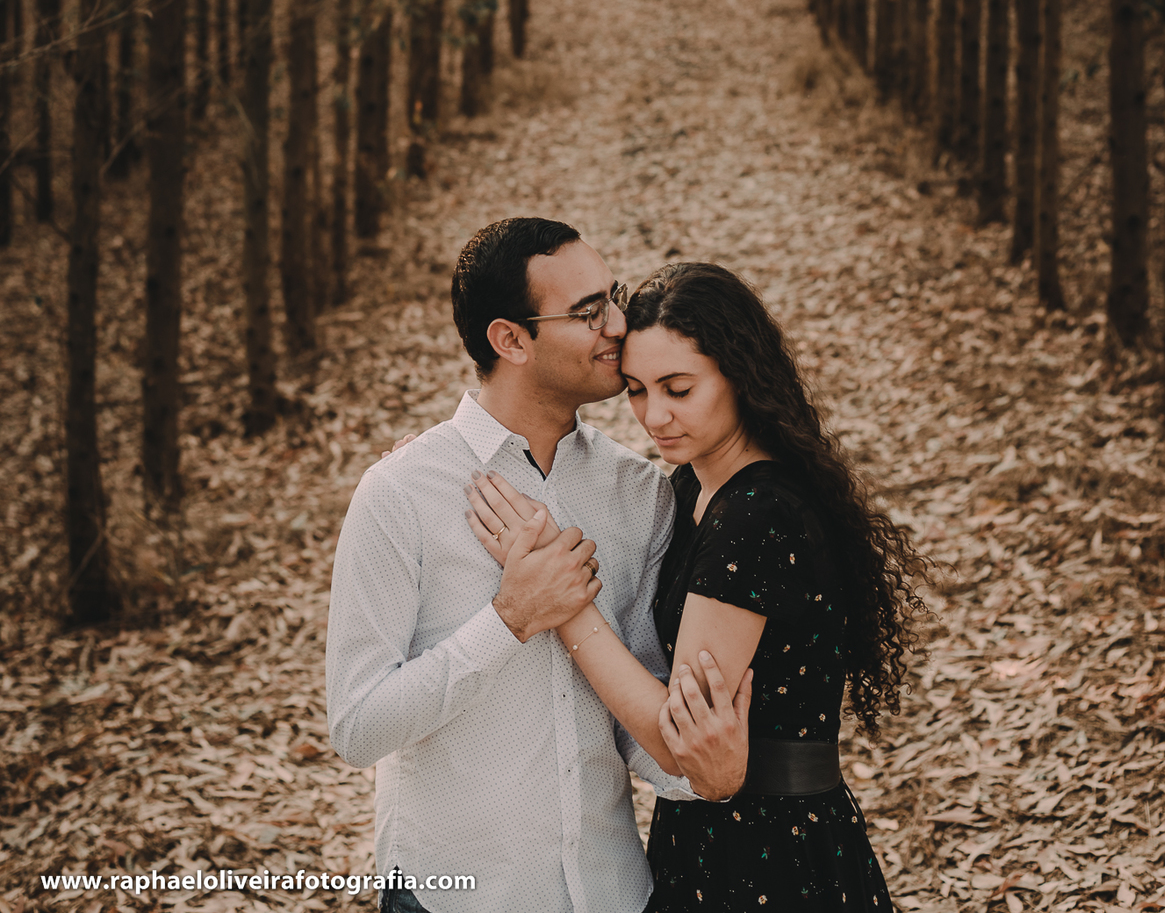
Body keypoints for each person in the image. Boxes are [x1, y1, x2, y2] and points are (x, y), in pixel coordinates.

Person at [467, 260, 925, 913]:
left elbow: (673, 738)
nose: (654, 416)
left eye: (678, 389)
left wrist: (565, 607)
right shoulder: (691, 486)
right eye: (635, 390)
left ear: (741, 375)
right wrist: (443, 463)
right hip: (714, 833)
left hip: (770, 851)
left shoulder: (756, 515)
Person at [325, 219, 751, 913]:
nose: (619, 324)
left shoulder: (639, 493)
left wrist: (699, 770)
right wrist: (510, 619)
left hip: (612, 890)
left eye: (613, 297)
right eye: (589, 312)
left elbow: (636, 701)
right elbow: (357, 728)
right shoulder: (402, 493)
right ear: (511, 340)